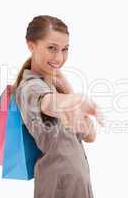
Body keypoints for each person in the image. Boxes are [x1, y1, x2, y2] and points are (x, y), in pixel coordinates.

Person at [14, 15, 104, 198]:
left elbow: (90, 136)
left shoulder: (55, 85)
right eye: (51, 48)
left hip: (77, 183)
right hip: (58, 185)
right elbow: (48, 103)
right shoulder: (30, 87)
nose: (59, 57)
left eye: (65, 49)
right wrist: (73, 100)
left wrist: (68, 90)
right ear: (31, 45)